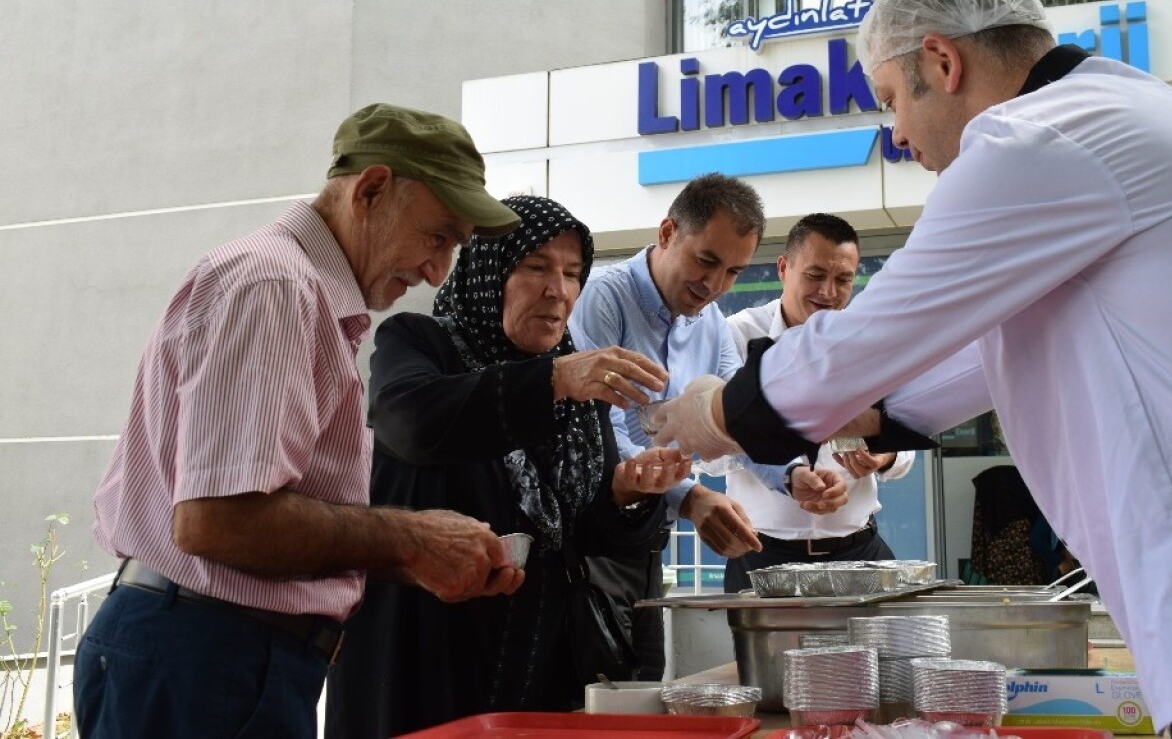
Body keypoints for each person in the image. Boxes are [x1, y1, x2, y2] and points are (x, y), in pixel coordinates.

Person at [650, 0, 1172, 737]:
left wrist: (715, 411)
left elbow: (878, 334)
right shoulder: (1122, 120)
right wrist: (855, 415)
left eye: (889, 101)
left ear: (942, 61)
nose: (898, 135)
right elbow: (966, 361)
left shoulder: (1037, 141)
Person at [74, 104, 528, 739]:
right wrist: (410, 539)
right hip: (207, 655)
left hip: (213, 655)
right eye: (438, 236)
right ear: (370, 190)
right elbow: (219, 520)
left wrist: (415, 557)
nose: (438, 271)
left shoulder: (293, 286)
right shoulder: (277, 285)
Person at [324, 195, 689, 736]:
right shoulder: (420, 342)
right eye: (536, 267)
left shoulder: (571, 377)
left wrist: (627, 494)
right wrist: (553, 382)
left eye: (572, 273)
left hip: (538, 667)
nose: (558, 291)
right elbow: (410, 422)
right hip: (426, 654)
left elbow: (581, 533)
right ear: (489, 270)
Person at [568, 173, 851, 677]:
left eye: (734, 272)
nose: (715, 285)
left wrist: (791, 475)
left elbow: (735, 424)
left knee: (645, 685)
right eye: (706, 261)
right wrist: (692, 497)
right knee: (596, 692)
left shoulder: (713, 322)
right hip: (592, 535)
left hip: (648, 536)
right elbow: (599, 436)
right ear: (667, 232)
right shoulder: (603, 299)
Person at [722, 213, 915, 593]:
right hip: (762, 557)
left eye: (843, 279)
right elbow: (713, 450)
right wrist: (788, 472)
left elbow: (906, 440)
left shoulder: (870, 340)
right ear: (783, 268)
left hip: (859, 552)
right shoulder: (737, 337)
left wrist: (883, 455)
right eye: (815, 275)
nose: (829, 292)